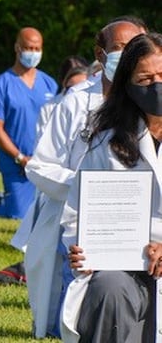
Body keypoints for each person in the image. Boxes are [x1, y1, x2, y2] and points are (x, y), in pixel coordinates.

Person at [20, 20, 146, 338]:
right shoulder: (75, 102)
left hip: (135, 221)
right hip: (75, 218)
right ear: (100, 54)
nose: (128, 55)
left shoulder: (148, 102)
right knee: (72, 301)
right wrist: (85, 187)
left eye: (135, 48)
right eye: (119, 48)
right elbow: (39, 166)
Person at [61, 32, 162, 342]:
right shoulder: (106, 142)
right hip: (125, 264)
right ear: (127, 86)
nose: (156, 85)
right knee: (109, 289)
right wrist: (79, 247)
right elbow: (76, 213)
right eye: (145, 79)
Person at [0, 27, 57, 219]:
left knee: (47, 216)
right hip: (16, 165)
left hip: (44, 163)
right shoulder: (1, 84)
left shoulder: (50, 84)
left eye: (37, 48)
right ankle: (1, 203)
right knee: (19, 217)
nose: (32, 53)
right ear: (17, 48)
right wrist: (20, 158)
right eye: (28, 48)